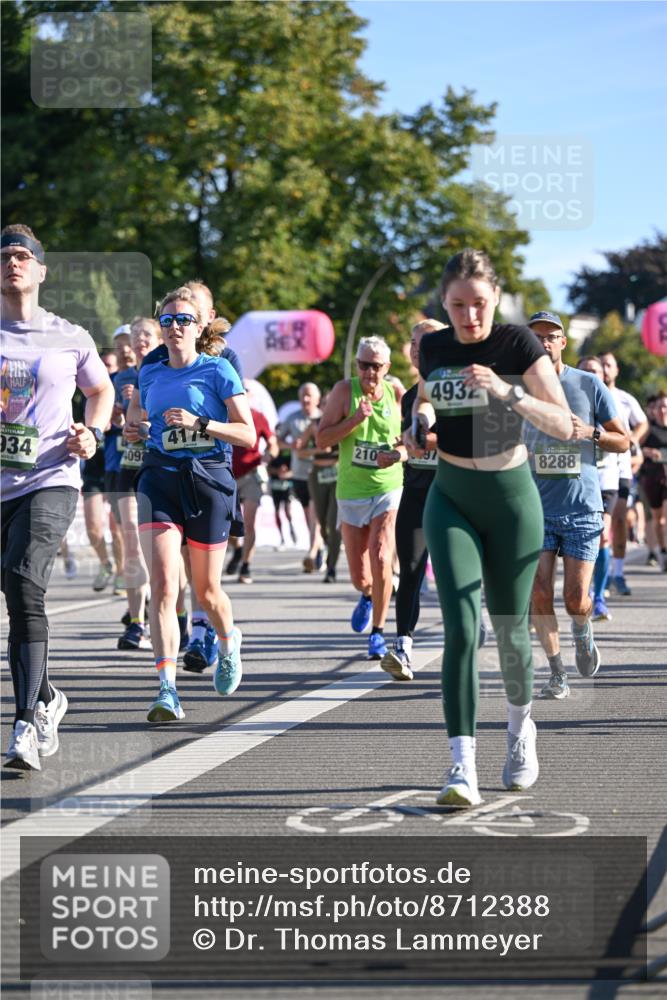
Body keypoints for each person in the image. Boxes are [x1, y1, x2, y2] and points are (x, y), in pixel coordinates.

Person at [407, 249, 573, 807]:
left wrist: (506, 391)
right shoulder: (434, 346)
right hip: (451, 495)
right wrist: (420, 423)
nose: (469, 317)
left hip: (511, 497)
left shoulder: (517, 345)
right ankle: (461, 765)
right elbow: (427, 401)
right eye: (458, 306)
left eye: (479, 305)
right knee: (459, 628)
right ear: (445, 304)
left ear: (495, 299)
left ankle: (521, 730)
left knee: (509, 631)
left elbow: (565, 425)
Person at [1, 224, 113, 770]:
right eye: (5, 257)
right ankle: (46, 696)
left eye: (23, 256)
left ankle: (25, 723)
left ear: (42, 271)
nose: (12, 263)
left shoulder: (70, 335)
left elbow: (102, 388)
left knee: (25, 580)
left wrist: (92, 432)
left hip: (51, 477)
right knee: (12, 593)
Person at [133, 285, 254, 722]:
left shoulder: (219, 370)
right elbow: (135, 419)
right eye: (167, 321)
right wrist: (135, 430)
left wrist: (201, 423)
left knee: (206, 591)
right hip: (159, 479)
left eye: (183, 320)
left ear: (199, 326)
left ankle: (227, 641)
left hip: (209, 482)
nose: (174, 327)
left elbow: (247, 434)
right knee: (165, 585)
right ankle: (166, 689)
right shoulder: (150, 372)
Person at [525, 317, 628, 701]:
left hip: (582, 507)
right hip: (534, 508)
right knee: (538, 594)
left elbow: (624, 440)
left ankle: (583, 632)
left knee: (574, 598)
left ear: (563, 342)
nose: (544, 344)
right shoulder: (518, 391)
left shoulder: (588, 384)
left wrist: (590, 433)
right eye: (536, 339)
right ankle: (556, 673)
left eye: (551, 337)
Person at [317, 336, 403, 659]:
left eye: (376, 366)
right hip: (351, 492)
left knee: (381, 555)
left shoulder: (396, 393)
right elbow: (322, 438)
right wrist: (354, 420)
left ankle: (378, 633)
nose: (369, 372)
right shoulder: (343, 392)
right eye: (363, 365)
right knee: (359, 576)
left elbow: (411, 439)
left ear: (387, 368)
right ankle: (368, 595)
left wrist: (398, 454)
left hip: (387, 487)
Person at [381, 319, 445, 679]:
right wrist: (400, 452)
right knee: (410, 569)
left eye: (427, 342)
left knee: (457, 573)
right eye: (414, 342)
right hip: (418, 489)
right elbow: (413, 443)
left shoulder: (458, 389)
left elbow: (469, 441)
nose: (419, 348)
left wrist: (421, 443)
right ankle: (403, 646)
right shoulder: (409, 396)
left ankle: (473, 628)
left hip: (456, 491)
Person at [599, 352, 648, 596]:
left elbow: (643, 422)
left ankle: (617, 573)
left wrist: (632, 442)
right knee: (600, 524)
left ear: (616, 370)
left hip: (621, 467)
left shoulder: (624, 399)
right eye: (602, 365)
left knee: (617, 520)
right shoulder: (589, 392)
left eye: (609, 365)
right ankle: (602, 574)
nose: (605, 370)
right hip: (595, 466)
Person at [577, 356, 622, 622]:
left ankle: (600, 597)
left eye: (596, 371)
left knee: (603, 536)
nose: (592, 375)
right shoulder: (563, 393)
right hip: (575, 479)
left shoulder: (618, 399)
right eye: (585, 371)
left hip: (606, 479)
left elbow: (626, 438)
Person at [228, 398, 278, 584]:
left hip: (251, 474)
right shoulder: (223, 414)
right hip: (227, 475)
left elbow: (273, 443)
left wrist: (268, 456)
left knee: (248, 523)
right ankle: (237, 549)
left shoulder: (257, 416)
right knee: (227, 525)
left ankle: (246, 565)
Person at [278, 383, 323, 573]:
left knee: (316, 515)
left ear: (317, 399)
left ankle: (313, 552)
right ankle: (319, 549)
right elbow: (278, 441)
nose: (306, 399)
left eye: (309, 396)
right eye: (303, 395)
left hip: (320, 472)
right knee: (308, 517)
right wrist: (291, 446)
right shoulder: (292, 418)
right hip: (299, 474)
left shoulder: (324, 418)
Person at [638, 389, 667, 570]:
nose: (662, 410)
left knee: (666, 519)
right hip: (652, 477)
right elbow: (632, 447)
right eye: (659, 407)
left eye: (665, 406)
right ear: (653, 410)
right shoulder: (648, 429)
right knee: (657, 520)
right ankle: (662, 552)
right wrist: (647, 452)